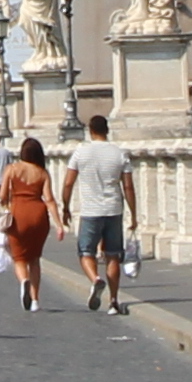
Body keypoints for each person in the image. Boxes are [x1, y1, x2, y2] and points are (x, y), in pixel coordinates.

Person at [60, 112, 136, 312]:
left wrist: (65, 207)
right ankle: (113, 301)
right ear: (107, 130)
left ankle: (95, 279)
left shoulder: (80, 152)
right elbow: (128, 187)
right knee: (113, 256)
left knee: (86, 252)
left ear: (90, 131)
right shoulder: (120, 153)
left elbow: (68, 183)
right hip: (113, 210)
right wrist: (134, 215)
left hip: (90, 210)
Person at [0, 137, 55, 311]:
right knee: (35, 258)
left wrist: (5, 204)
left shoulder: (12, 169)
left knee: (19, 257)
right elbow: (50, 199)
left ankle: (24, 281)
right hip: (39, 215)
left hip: (19, 214)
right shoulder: (42, 173)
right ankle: (35, 300)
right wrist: (59, 224)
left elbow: (1, 196)